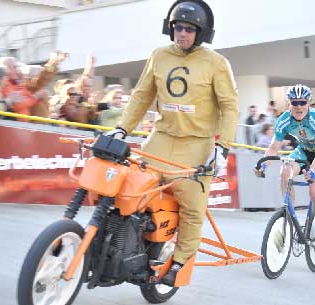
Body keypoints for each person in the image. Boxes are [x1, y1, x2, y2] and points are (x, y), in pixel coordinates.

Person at [105, 0, 238, 286]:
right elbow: (141, 96)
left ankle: (178, 262)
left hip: (197, 142)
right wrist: (121, 130)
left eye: (190, 29)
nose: (183, 33)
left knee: (192, 204)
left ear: (201, 33)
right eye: (178, 27)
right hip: (161, 138)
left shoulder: (216, 63)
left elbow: (230, 107)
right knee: (129, 190)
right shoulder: (158, 56)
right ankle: (126, 245)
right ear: (170, 28)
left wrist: (223, 148)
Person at [254, 84, 315, 254]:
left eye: (302, 102)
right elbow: (273, 148)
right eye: (295, 103)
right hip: (304, 151)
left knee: (314, 193)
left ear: (308, 103)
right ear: (289, 104)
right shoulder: (284, 120)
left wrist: (312, 171)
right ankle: (291, 217)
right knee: (285, 171)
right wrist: (263, 164)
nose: (299, 106)